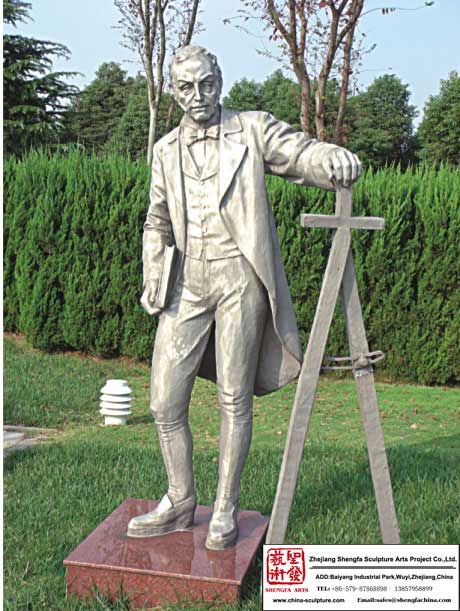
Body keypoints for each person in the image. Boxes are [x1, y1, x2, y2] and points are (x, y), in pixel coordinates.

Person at [127, 46, 360, 550]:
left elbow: (298, 153)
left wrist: (330, 157)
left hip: (240, 279)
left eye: (206, 84)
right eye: (186, 88)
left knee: (234, 398)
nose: (198, 96)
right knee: (164, 401)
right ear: (173, 92)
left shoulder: (250, 129)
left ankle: (225, 506)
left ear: (220, 80)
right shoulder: (164, 150)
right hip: (187, 283)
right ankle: (180, 497)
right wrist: (153, 265)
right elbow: (157, 220)